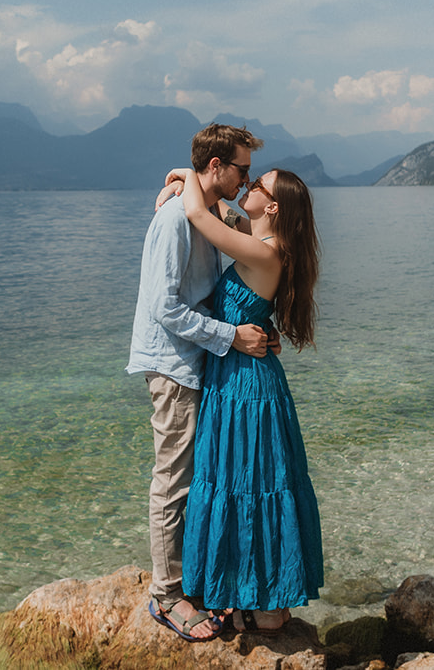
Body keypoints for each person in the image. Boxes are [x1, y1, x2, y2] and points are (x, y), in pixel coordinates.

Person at [126, 123, 273, 642]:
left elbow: (243, 235)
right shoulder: (175, 219)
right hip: (173, 363)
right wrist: (232, 336)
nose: (246, 179)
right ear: (217, 167)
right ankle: (166, 597)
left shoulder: (206, 210)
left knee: (195, 475)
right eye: (241, 169)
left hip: (196, 359)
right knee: (174, 478)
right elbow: (164, 306)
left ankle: (192, 580)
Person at [171, 165, 324, 634]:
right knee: (252, 484)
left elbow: (199, 213)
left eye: (257, 185)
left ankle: (264, 606)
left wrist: (184, 173)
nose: (249, 186)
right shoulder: (264, 244)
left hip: (244, 386)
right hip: (244, 378)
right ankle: (262, 602)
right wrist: (194, 185)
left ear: (273, 206)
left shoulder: (264, 252)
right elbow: (220, 212)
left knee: (245, 484)